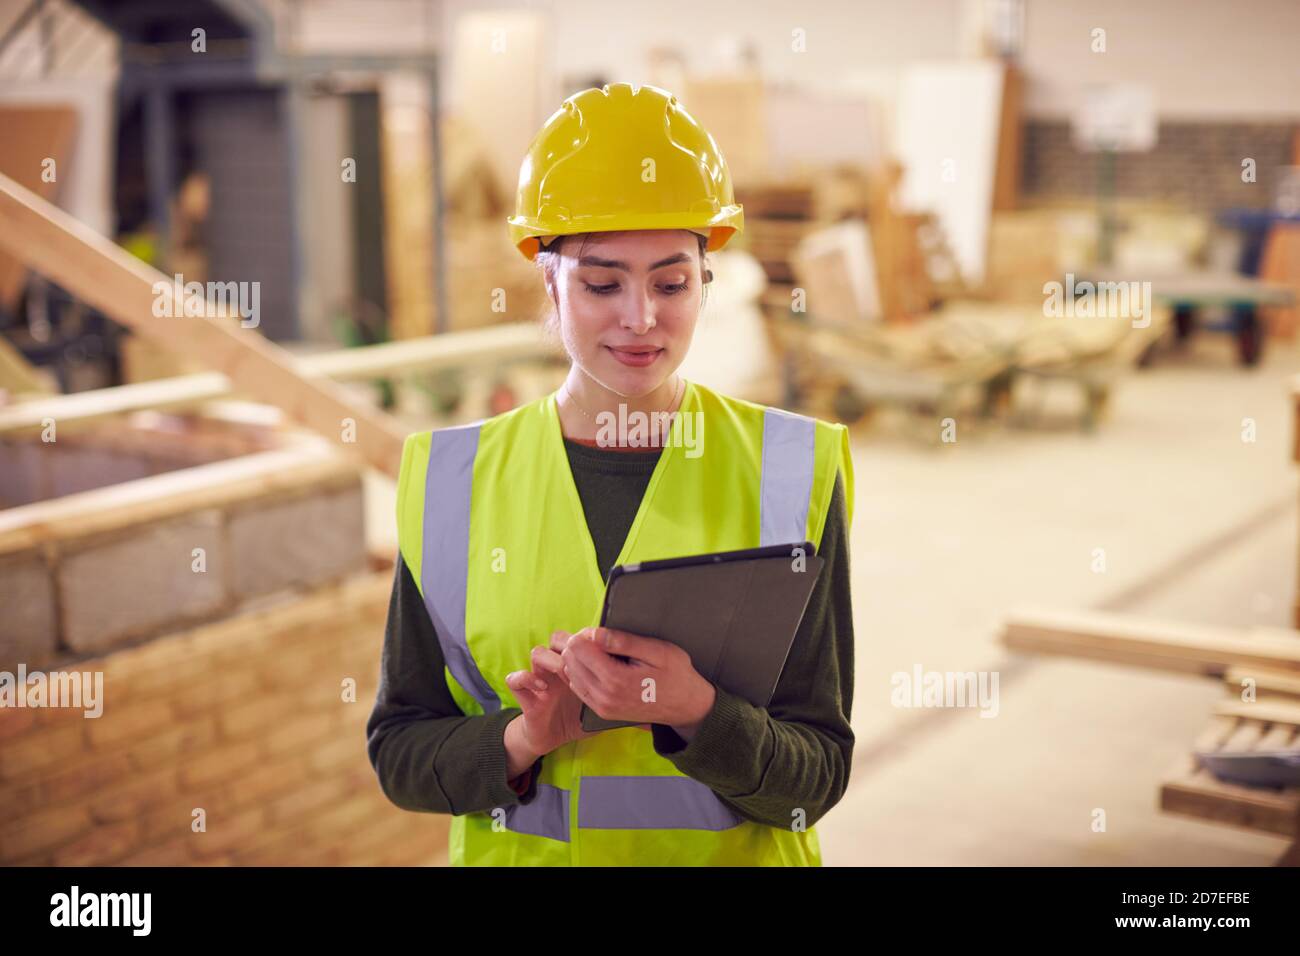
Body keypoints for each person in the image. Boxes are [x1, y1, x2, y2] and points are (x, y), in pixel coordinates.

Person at [367, 82, 856, 866]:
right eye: (601, 284)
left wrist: (697, 710)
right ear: (548, 282)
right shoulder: (451, 481)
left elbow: (818, 775)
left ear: (706, 283)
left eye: (671, 283)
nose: (640, 318)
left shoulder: (790, 470)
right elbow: (401, 754)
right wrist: (527, 737)